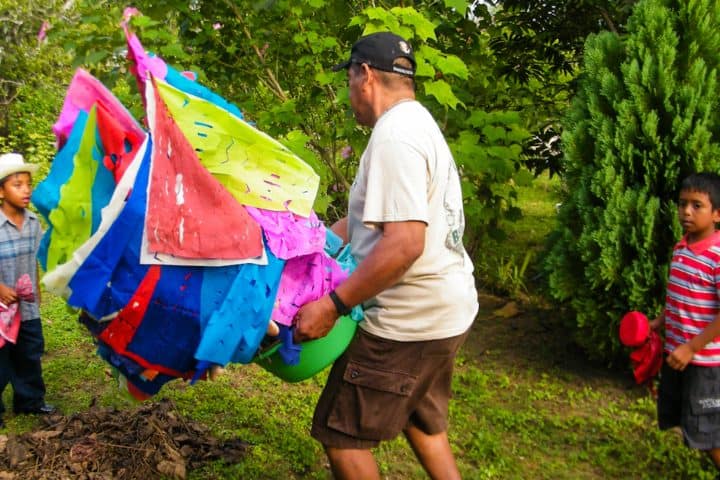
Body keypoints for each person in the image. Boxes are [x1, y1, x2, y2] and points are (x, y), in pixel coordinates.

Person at [293, 32, 478, 479]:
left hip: (408, 324)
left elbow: (405, 244)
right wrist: (305, 241)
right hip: (448, 312)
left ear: (366, 75)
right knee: (423, 423)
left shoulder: (394, 138)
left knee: (342, 437)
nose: (349, 91)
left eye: (350, 78)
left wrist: (333, 305)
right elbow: (367, 225)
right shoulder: (416, 123)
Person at [651, 172, 720, 477]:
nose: (686, 212)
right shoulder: (681, 249)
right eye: (682, 204)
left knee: (707, 430)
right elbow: (678, 299)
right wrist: (658, 323)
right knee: (687, 418)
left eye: (697, 205)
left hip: (705, 362)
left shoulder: (717, 257)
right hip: (679, 355)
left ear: (717, 214)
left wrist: (692, 347)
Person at [0, 152, 56, 429]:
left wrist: (36, 291)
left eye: (28, 184)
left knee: (30, 352)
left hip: (26, 304)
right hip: (0, 309)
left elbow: (34, 259)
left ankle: (29, 401)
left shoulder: (33, 223)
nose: (25, 190)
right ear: (1, 191)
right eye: (17, 184)